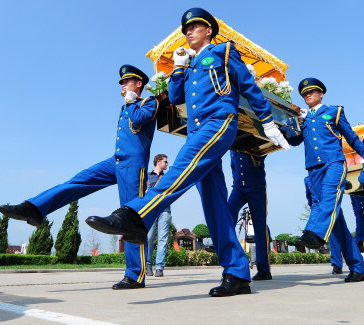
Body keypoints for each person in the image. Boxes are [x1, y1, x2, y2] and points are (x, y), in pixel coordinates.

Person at [85, 7, 289, 297]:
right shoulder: (191, 66)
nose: (188, 32)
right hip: (197, 132)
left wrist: (268, 122)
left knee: (180, 169)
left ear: (209, 30)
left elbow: (248, 85)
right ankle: (237, 273)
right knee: (215, 205)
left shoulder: (223, 51)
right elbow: (177, 97)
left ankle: (135, 215)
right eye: (186, 29)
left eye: (194, 26)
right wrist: (179, 67)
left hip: (218, 122)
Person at [0, 64, 158, 290]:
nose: (122, 86)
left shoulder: (148, 102)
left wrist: (131, 101)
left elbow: (140, 119)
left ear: (139, 83)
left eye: (126, 82)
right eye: (122, 83)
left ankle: (135, 275)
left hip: (134, 165)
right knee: (77, 181)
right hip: (116, 160)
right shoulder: (126, 106)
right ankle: (34, 208)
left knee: (129, 218)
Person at [293, 78, 364, 282]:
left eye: (312, 92)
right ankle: (358, 268)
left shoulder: (334, 112)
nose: (308, 95)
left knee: (328, 197)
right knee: (336, 221)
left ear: (321, 93)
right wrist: (290, 123)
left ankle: (314, 233)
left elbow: (351, 137)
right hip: (313, 167)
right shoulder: (304, 118)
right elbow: (295, 140)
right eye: (305, 93)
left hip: (334, 162)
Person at [304, 176, 364, 278]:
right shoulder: (307, 179)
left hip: (332, 207)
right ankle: (338, 265)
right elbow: (310, 198)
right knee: (334, 238)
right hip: (319, 211)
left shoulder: (328, 172)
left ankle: (357, 267)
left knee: (342, 234)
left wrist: (344, 182)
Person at [228, 151, 271, 280]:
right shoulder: (232, 145)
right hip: (238, 187)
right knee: (227, 215)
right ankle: (226, 245)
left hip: (256, 187)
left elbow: (264, 151)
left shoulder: (252, 137)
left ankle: (264, 270)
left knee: (260, 228)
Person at [146, 154, 172, 277]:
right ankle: (148, 265)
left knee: (163, 239)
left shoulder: (168, 178)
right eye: (165, 162)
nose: (167, 164)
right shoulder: (147, 176)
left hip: (164, 209)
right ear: (158, 162)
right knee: (149, 238)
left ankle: (160, 267)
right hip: (150, 209)